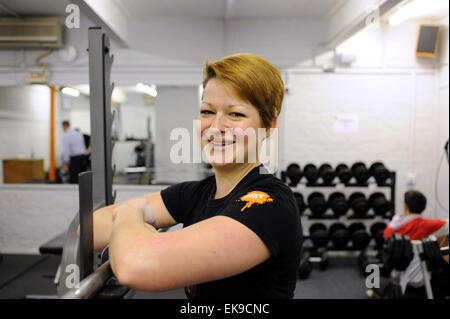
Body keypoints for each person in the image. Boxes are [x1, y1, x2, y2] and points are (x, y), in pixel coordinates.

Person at [88, 53, 303, 299]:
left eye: (236, 114)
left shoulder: (269, 202)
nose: (216, 126)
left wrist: (129, 216)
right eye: (207, 111)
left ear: (268, 126)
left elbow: (136, 265)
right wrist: (141, 237)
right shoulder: (194, 194)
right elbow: (91, 229)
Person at [380, 190, 448, 298]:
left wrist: (395, 221)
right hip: (421, 277)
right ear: (423, 208)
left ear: (406, 207)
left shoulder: (394, 226)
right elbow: (446, 224)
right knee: (443, 247)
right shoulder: (427, 225)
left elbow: (385, 236)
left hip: (397, 274)